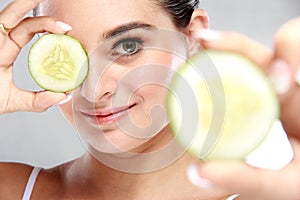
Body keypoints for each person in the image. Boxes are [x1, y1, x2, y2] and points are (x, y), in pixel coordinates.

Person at [0, 0, 299, 199]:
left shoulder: (277, 190)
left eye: (128, 46)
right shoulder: (12, 190)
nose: (93, 90)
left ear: (193, 36)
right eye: (65, 53)